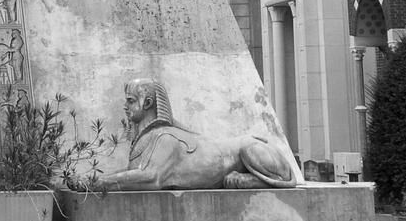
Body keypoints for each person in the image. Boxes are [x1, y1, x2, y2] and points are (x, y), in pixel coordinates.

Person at [100, 77, 296, 191]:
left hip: (252, 154)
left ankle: (260, 180)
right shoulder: (148, 139)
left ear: (148, 103)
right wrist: (97, 180)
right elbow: (133, 171)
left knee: (248, 148)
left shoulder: (165, 137)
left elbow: (151, 178)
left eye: (131, 101)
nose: (125, 107)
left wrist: (100, 182)